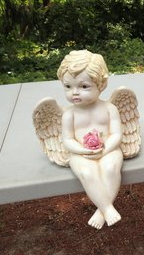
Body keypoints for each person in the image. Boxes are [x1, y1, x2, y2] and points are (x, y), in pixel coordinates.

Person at [57, 50, 123, 229]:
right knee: (87, 173)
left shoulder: (110, 109)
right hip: (80, 153)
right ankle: (108, 209)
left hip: (109, 149)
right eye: (68, 87)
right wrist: (84, 150)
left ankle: (101, 210)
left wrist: (105, 148)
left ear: (102, 84)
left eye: (84, 86)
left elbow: (116, 134)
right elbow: (68, 140)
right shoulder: (69, 115)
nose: (75, 93)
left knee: (110, 168)